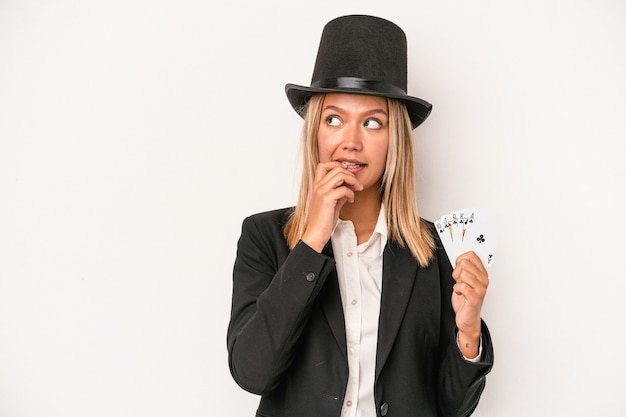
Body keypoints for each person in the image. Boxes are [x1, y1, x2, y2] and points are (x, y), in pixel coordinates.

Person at [227, 14, 494, 417]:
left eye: (372, 123)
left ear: (395, 140)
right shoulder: (263, 236)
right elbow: (252, 373)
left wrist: (469, 329)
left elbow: (451, 406)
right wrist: (313, 239)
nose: (350, 142)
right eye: (334, 119)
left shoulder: (434, 250)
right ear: (316, 130)